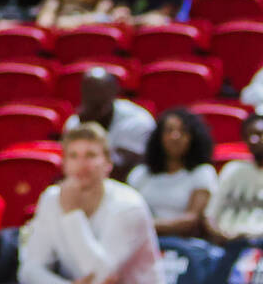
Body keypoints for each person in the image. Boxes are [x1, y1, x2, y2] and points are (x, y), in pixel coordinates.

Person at [19, 122, 165, 284]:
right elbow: (30, 269)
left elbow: (101, 275)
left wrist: (72, 214)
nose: (82, 164)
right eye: (73, 156)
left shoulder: (128, 206)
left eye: (91, 155)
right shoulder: (51, 199)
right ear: (64, 164)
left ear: (108, 163)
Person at [127, 108, 217, 238]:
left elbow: (191, 221)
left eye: (183, 131)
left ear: (194, 137)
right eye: (169, 131)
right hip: (140, 241)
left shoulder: (203, 172)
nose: (175, 136)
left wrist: (145, 225)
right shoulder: (141, 173)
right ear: (159, 137)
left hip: (181, 244)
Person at [64, 67, 155, 180]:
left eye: (99, 91)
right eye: (90, 91)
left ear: (114, 91)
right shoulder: (75, 123)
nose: (95, 96)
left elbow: (119, 169)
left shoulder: (137, 121)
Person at [205, 111, 263, 243]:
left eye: (261, 134)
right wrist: (220, 236)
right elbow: (209, 216)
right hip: (226, 242)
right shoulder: (232, 169)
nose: (256, 140)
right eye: (251, 135)